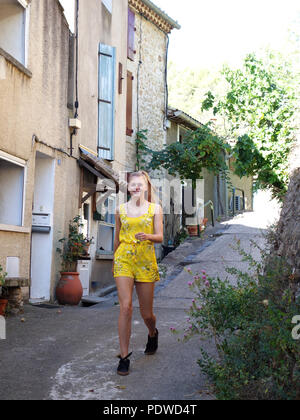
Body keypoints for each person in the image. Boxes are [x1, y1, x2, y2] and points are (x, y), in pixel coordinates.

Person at [112, 170, 164, 376]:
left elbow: (160, 236)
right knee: (126, 307)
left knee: (146, 313)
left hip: (145, 261)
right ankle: (124, 357)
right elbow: (117, 238)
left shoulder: (155, 209)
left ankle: (152, 332)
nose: (136, 187)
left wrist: (148, 236)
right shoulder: (120, 210)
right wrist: (114, 259)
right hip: (124, 259)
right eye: (132, 184)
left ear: (146, 187)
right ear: (128, 187)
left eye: (139, 184)